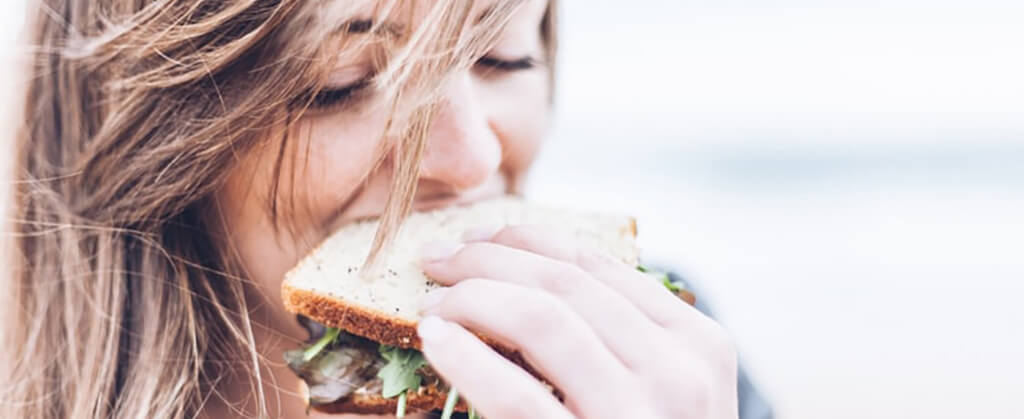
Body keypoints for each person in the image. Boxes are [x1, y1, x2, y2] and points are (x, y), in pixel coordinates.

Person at [2, 1, 771, 418]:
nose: (472, 157)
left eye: (505, 55)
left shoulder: (663, 370)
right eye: (344, 80)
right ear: (154, 133)